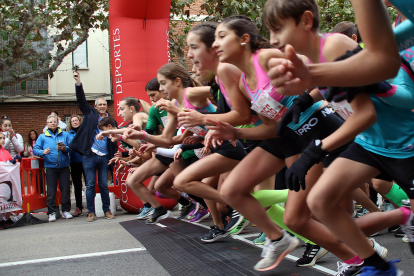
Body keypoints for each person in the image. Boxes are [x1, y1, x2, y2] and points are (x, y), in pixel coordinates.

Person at [261, 0, 412, 274]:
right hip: (370, 144)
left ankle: (404, 218)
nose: (273, 40)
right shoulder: (313, 56)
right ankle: (378, 265)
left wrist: (313, 152)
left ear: (306, 21)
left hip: (404, 144)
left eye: (278, 29)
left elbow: (365, 113)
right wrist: (306, 98)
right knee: (319, 200)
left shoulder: (333, 46)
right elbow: (334, 81)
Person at [70, 71, 117, 222]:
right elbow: (81, 100)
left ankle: (107, 210)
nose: (102, 106)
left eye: (104, 104)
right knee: (90, 184)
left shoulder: (111, 120)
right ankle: (90, 212)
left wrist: (114, 155)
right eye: (100, 104)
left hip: (104, 157)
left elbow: (115, 139)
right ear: (95, 106)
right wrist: (78, 83)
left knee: (103, 184)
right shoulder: (90, 113)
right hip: (89, 156)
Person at [33, 115, 73, 222]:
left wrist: (65, 148)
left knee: (66, 190)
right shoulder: (42, 137)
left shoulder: (65, 134)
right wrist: (43, 152)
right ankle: (51, 212)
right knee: (51, 191)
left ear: (58, 123)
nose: (53, 123)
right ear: (47, 124)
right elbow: (35, 149)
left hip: (64, 167)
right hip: (50, 167)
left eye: (55, 122)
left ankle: (66, 211)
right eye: (50, 122)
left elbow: (72, 148)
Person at [67, 115, 85, 217]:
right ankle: (79, 207)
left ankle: (92, 207)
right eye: (72, 121)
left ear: (79, 121)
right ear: (70, 123)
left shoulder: (84, 131)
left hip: (85, 161)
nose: (74, 122)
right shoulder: (68, 134)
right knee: (77, 186)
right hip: (74, 162)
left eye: (76, 120)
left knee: (89, 184)